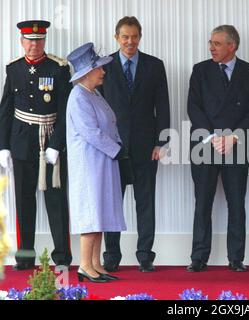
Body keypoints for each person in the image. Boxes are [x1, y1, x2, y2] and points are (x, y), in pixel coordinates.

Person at [187, 25, 249, 272]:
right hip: (204, 144)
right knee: (202, 203)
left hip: (236, 145)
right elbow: (193, 107)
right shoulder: (200, 70)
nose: (211, 47)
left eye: (217, 43)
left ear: (232, 45)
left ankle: (236, 258)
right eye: (211, 42)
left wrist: (232, 137)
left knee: (236, 203)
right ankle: (198, 257)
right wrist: (212, 137)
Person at [100, 16, 170, 273]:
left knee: (145, 202)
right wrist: (103, 145)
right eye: (125, 37)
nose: (130, 42)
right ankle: (111, 256)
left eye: (135, 36)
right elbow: (98, 107)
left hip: (145, 147)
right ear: (116, 37)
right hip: (112, 148)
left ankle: (145, 256)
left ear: (140, 37)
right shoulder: (104, 65)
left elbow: (162, 106)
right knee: (111, 204)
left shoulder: (154, 65)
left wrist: (161, 142)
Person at [0, 20, 72, 270]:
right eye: (29, 40)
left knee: (57, 202)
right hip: (21, 142)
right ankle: (25, 258)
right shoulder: (14, 69)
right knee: (24, 202)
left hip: (50, 141)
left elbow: (65, 111)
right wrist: (3, 146)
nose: (34, 45)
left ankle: (62, 258)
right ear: (21, 41)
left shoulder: (59, 68)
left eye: (38, 40)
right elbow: (6, 110)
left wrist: (56, 143)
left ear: (44, 42)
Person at [66, 42, 126, 283]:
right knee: (90, 213)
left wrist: (118, 146)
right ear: (87, 72)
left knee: (99, 212)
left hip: (102, 162)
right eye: (99, 68)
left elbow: (110, 123)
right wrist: (116, 150)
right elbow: (91, 132)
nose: (103, 71)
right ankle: (84, 266)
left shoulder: (94, 94)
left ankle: (95, 263)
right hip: (89, 165)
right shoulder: (78, 96)